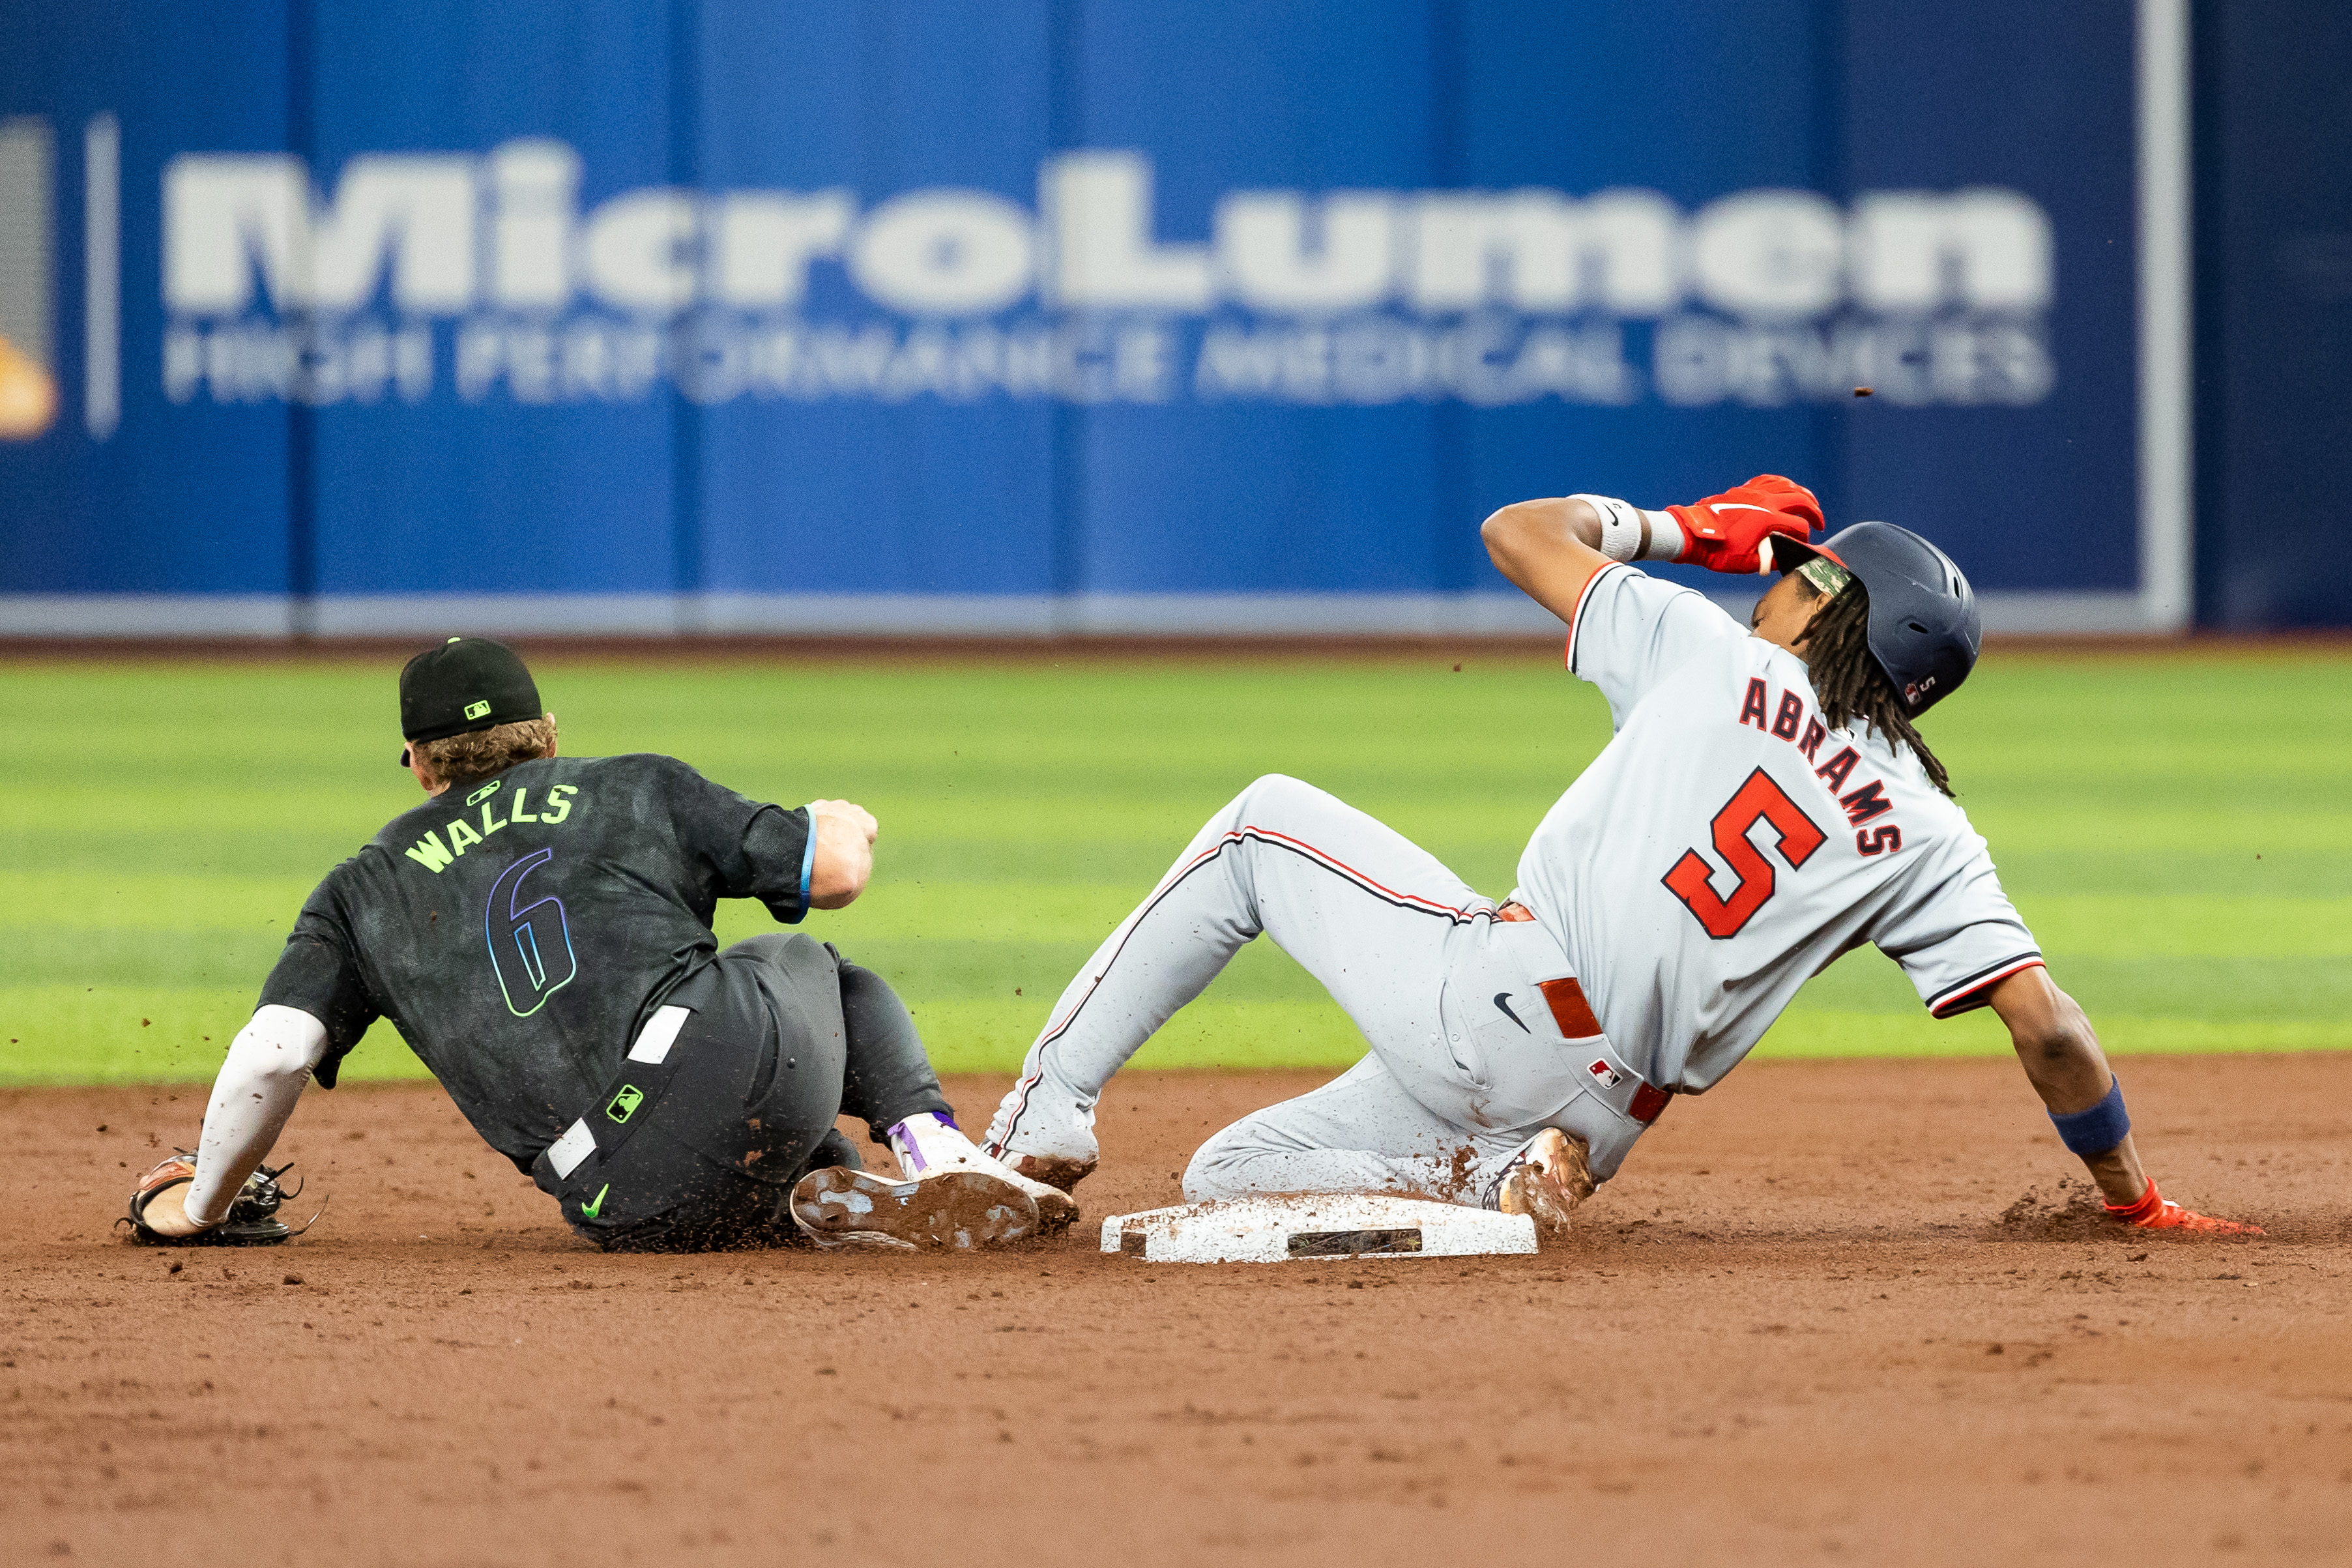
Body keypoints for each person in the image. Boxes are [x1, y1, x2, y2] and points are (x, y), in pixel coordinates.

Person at [981, 477, 2259, 1238]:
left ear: (1827, 606)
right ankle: (1490, 1182)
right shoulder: (1928, 830)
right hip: (1598, 1118)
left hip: (1489, 1005)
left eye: (1794, 573)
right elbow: (2051, 1035)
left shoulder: (1714, 656)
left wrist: (1676, 525)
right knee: (1230, 1177)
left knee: (1261, 821)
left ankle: (1037, 1121)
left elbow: (1514, 532)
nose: (1770, 581)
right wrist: (2127, 1197)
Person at [123, 637, 1070, 1253]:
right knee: (804, 964)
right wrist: (841, 818)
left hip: (614, 1202)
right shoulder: (629, 787)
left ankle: (821, 1186)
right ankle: (932, 1146)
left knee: (736, 1057)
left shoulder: (357, 887)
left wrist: (204, 1204)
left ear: (417, 762)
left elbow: (277, 1050)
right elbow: (835, 879)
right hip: (721, 1067)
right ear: (548, 735)